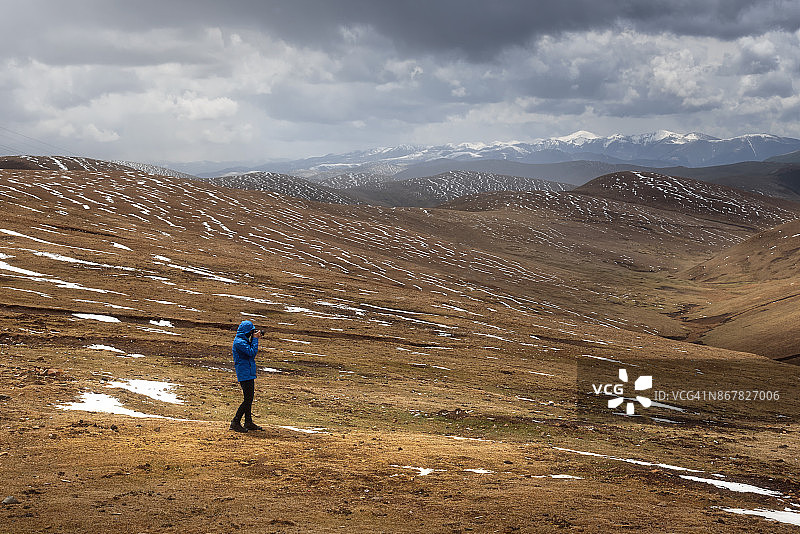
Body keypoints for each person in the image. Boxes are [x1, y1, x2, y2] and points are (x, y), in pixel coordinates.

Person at [230, 320, 264, 432]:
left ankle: (248, 422)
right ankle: (235, 421)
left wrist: (252, 338)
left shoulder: (242, 340)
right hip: (244, 373)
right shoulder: (239, 342)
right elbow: (251, 352)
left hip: (247, 372)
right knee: (248, 399)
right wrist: (255, 339)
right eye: (251, 331)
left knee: (249, 398)